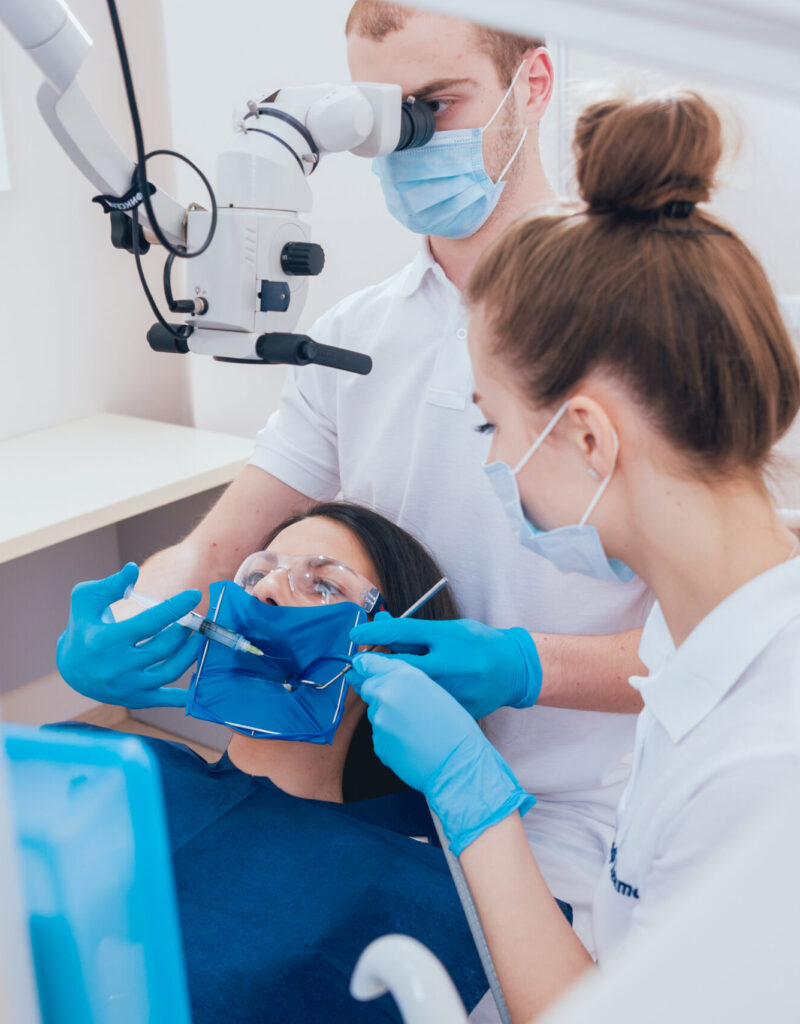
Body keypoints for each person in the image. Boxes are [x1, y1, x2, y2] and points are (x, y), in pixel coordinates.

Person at [57, 2, 653, 951]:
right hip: (374, 793)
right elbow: (225, 540)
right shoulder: (354, 340)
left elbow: (744, 635)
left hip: (569, 825)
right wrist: (125, 626)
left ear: (531, 85)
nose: (408, 141)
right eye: (385, 117)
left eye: (437, 105)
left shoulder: (648, 322)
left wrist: (525, 667)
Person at [347, 92, 800, 1021]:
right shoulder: (699, 638)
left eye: (493, 424)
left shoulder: (762, 764)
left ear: (588, 438)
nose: (490, 461)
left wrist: (473, 804)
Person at [54, 501, 491, 1023]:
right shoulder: (92, 764)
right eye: (257, 573)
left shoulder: (413, 890)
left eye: (324, 585)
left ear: (389, 653)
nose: (262, 589)